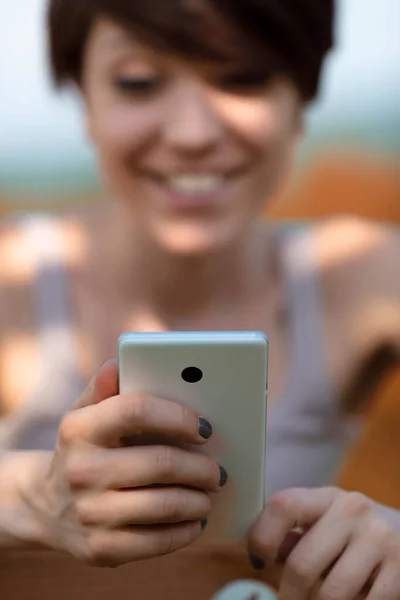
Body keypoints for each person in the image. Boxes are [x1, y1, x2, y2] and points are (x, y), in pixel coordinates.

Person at [0, 0, 399, 597]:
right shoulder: (13, 278)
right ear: (83, 98)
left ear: (301, 101)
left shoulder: (362, 276)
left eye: (244, 77)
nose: (193, 134)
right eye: (138, 83)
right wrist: (30, 497)